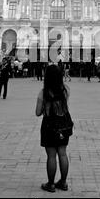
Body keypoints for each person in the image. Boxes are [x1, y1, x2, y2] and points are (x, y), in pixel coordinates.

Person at [35, 64, 73, 192]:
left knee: (51, 156)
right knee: (62, 154)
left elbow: (37, 112)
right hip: (64, 124)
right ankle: (63, 182)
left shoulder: (43, 92)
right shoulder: (65, 89)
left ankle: (50, 184)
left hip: (49, 125)